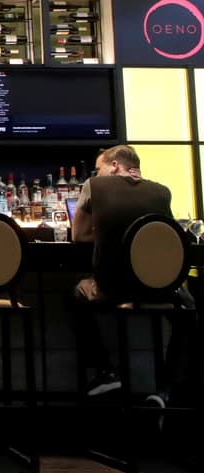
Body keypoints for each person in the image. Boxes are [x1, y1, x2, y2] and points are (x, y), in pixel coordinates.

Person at [69, 145, 197, 404]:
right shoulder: (162, 192)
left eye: (99, 168)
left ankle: (106, 372)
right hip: (157, 289)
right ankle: (167, 391)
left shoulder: (94, 186)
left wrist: (107, 232)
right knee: (189, 311)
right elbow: (167, 237)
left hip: (111, 289)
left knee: (76, 293)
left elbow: (78, 235)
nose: (96, 173)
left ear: (114, 165)